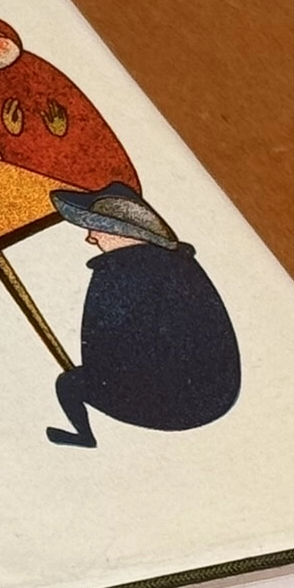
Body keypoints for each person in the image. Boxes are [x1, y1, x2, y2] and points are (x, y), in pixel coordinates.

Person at [44, 184, 241, 447]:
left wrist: (100, 376)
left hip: (168, 400)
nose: (90, 238)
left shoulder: (121, 272)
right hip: (213, 395)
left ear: (120, 231)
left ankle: (84, 435)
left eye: (96, 228)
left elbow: (101, 341)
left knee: (70, 384)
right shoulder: (175, 263)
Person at [0, 15, 138, 191]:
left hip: (85, 166)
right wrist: (11, 131)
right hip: (38, 167)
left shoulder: (36, 68)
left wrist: (63, 131)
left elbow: (80, 115)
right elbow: (1, 131)